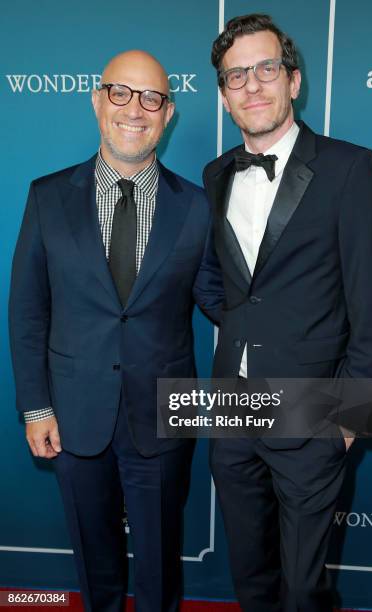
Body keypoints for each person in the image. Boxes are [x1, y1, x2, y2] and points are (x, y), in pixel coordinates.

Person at [9, 50, 222, 612]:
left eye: (152, 97)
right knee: (93, 561)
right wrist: (35, 407)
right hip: (73, 414)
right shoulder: (47, 196)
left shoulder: (197, 208)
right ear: (98, 100)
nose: (136, 109)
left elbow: (224, 302)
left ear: (169, 112)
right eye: (121, 93)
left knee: (159, 562)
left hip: (161, 414)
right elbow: (28, 310)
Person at [203, 13, 372, 612]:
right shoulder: (214, 176)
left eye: (266, 69)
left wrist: (347, 421)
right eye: (238, 76)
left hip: (312, 412)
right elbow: (216, 282)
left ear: (293, 80)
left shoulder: (351, 168)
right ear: (224, 96)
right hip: (229, 407)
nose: (253, 86)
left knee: (305, 588)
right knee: (249, 574)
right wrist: (240, 325)